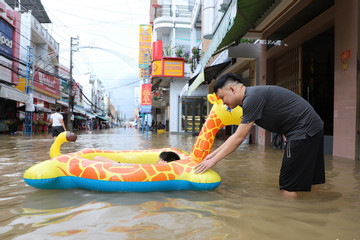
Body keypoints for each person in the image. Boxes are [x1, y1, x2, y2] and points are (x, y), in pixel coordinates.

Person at [194, 73, 325, 198]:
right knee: (312, 180)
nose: (223, 103)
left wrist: (213, 160)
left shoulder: (251, 99)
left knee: (287, 186)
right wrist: (211, 155)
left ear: (232, 89)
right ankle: (314, 208)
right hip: (314, 127)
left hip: (301, 131)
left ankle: (289, 218)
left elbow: (239, 138)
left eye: (222, 97)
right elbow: (235, 136)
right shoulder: (252, 95)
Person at [93, 151, 180, 164]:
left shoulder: (159, 169)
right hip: (123, 167)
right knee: (97, 158)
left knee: (97, 158)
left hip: (122, 168)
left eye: (159, 159)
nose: (157, 160)